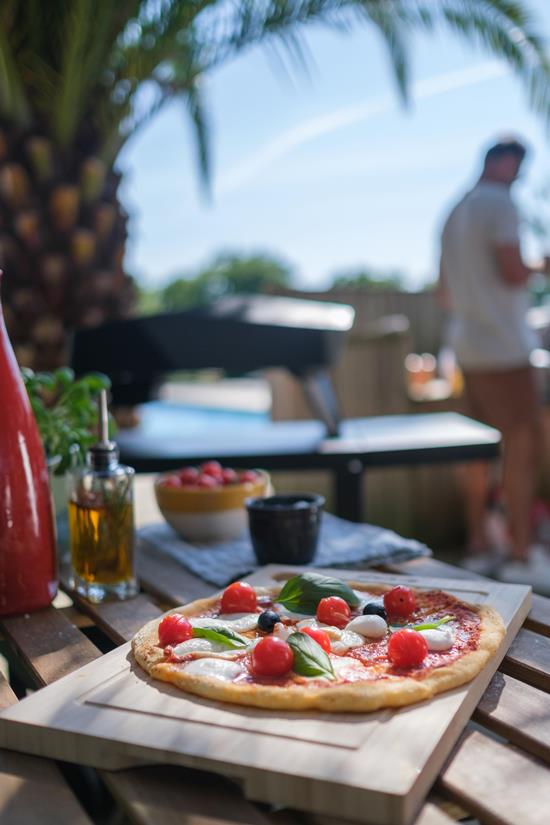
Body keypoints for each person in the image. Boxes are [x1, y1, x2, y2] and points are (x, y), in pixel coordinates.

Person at [438, 137, 549, 584]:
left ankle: (480, 545)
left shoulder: (452, 211)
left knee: (476, 450)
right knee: (521, 448)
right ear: (503, 162)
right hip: (504, 346)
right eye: (520, 166)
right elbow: (511, 269)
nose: (521, 175)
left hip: (465, 345)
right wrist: (541, 266)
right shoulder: (500, 203)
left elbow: (443, 291)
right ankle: (521, 555)